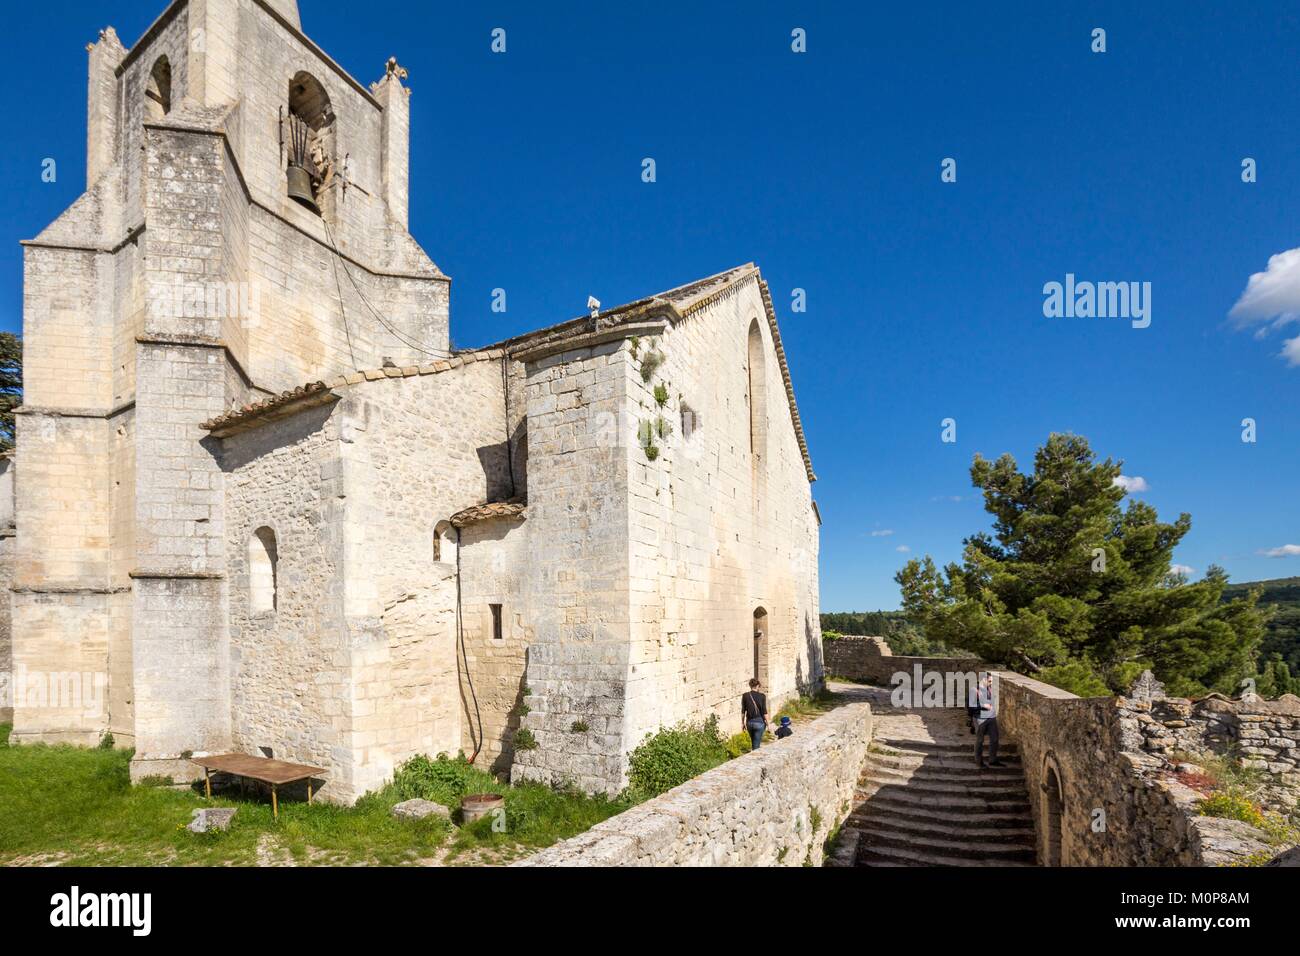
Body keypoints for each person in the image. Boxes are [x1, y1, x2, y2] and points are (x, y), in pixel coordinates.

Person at [974, 672, 1004, 768]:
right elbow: (970, 706)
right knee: (980, 740)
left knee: (995, 739)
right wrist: (982, 706)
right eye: (989, 681)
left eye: (991, 681)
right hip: (980, 717)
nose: (991, 683)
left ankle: (992, 760)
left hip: (991, 717)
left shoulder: (990, 689)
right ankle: (979, 761)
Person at [741, 679, 769, 750]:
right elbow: (764, 711)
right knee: (756, 746)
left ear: (750, 686)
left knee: (753, 742)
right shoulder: (762, 696)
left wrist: (742, 723)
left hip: (749, 723)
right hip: (759, 723)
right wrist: (768, 724)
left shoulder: (745, 695)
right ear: (757, 686)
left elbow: (743, 711)